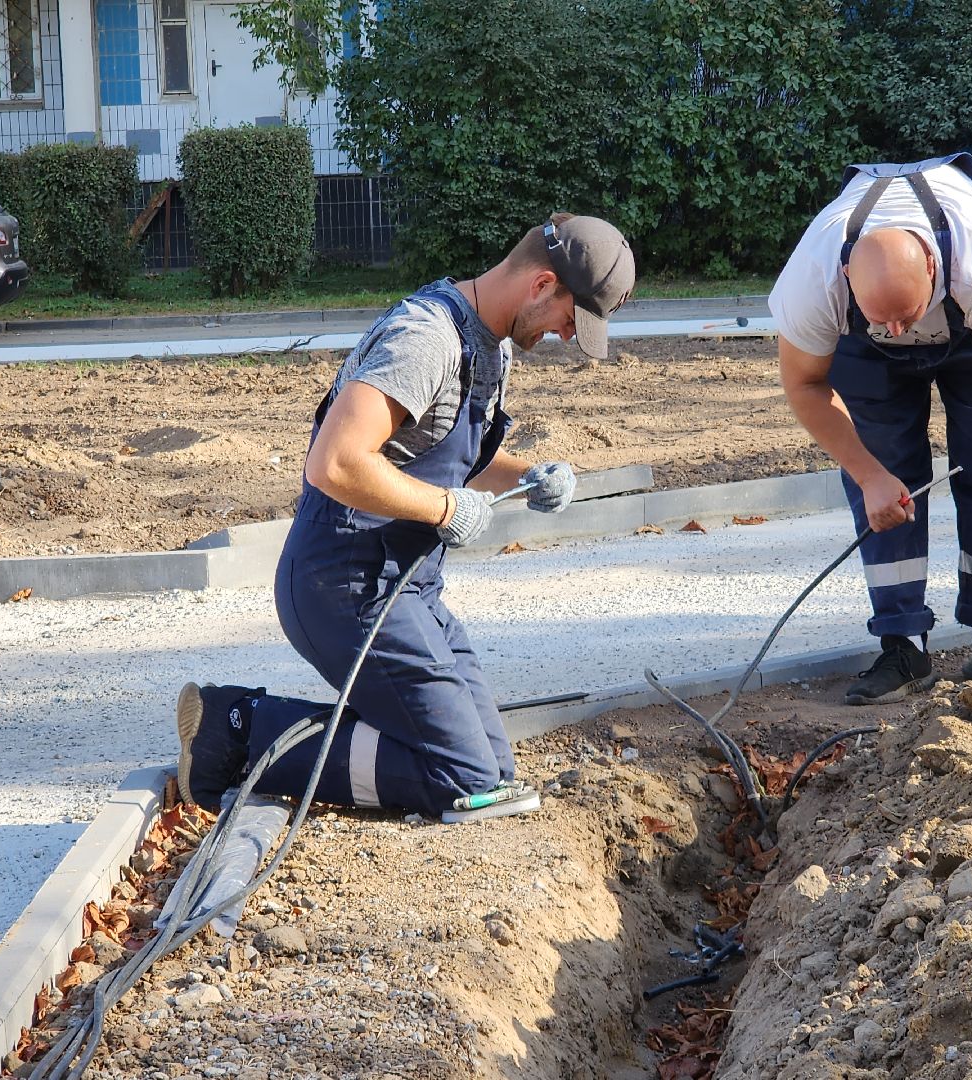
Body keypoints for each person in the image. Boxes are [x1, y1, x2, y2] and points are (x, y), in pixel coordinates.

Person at [176, 213, 635, 816]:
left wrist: (526, 476)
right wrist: (445, 508)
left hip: (406, 588)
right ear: (543, 284)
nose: (567, 337)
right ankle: (235, 729)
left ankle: (311, 732)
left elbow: (448, 456)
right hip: (342, 587)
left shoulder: (490, 344)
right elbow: (335, 462)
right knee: (462, 780)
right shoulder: (426, 340)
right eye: (571, 320)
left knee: (495, 772)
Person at [770, 153, 972, 706]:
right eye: (882, 320)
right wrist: (868, 475)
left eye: (905, 315)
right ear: (847, 277)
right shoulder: (813, 277)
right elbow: (805, 386)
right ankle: (903, 646)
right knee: (884, 481)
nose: (896, 331)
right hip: (863, 352)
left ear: (932, 268)